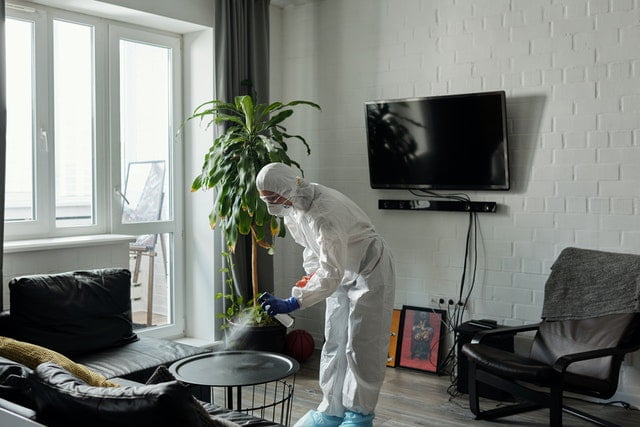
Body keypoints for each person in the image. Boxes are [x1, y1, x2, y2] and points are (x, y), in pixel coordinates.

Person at [256, 163, 396, 427]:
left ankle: (359, 416)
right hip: (341, 273)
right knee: (334, 340)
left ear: (287, 187)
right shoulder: (293, 208)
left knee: (361, 346)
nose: (271, 203)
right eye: (266, 199)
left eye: (273, 197)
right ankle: (331, 410)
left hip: (369, 269)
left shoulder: (323, 212)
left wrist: (293, 301)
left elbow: (330, 272)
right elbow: (312, 250)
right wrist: (309, 277)